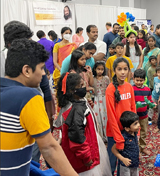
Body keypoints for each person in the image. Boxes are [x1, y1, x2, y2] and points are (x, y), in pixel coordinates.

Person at [0, 38, 77, 176]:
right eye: (41, 68)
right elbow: (49, 148)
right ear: (27, 70)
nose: (43, 73)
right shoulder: (29, 96)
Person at [1, 21, 55, 162]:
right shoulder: (3, 59)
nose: (28, 44)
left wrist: (49, 116)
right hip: (10, 115)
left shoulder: (34, 58)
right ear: (10, 43)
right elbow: (50, 148)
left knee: (33, 151)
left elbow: (45, 89)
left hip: (34, 112)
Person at [56, 72, 111, 175]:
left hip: (90, 142)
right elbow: (77, 137)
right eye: (81, 86)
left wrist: (88, 106)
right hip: (84, 154)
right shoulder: (75, 110)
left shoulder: (79, 101)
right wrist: (86, 156)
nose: (84, 88)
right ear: (72, 90)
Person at [105, 57, 136, 175]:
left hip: (128, 131)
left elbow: (133, 109)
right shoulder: (110, 89)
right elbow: (111, 116)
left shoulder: (129, 87)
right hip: (114, 132)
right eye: (119, 69)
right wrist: (118, 136)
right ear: (114, 70)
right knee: (112, 163)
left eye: (125, 69)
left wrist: (134, 129)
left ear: (129, 70)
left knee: (124, 164)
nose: (123, 72)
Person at [133, 69, 154, 155]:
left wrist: (153, 104)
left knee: (143, 133)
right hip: (134, 116)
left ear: (144, 79)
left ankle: (142, 148)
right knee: (133, 133)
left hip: (144, 116)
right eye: (137, 80)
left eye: (141, 80)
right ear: (133, 79)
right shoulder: (131, 89)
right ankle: (134, 148)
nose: (139, 82)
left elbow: (150, 100)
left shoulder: (147, 89)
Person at [111, 111, 140, 176]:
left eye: (138, 122)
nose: (139, 125)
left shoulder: (134, 132)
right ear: (127, 128)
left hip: (135, 164)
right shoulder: (123, 137)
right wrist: (122, 159)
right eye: (135, 124)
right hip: (126, 166)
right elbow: (113, 149)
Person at [93, 61, 110, 142]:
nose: (100, 71)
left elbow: (109, 89)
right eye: (98, 69)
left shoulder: (106, 78)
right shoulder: (93, 79)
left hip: (104, 99)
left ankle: (107, 136)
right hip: (96, 99)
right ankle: (100, 136)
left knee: (105, 116)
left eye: (102, 69)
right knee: (98, 117)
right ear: (95, 69)